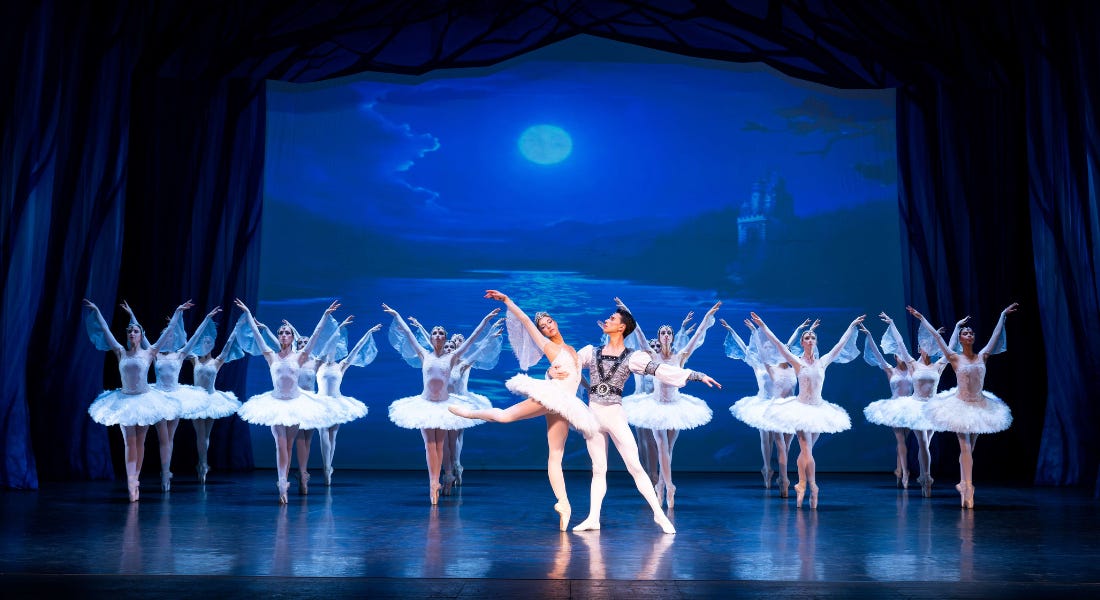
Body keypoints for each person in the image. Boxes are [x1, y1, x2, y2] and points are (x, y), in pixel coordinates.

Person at [448, 290, 600, 530]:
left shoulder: (571, 348)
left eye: (549, 322)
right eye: (543, 326)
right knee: (506, 416)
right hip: (553, 396)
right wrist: (508, 301)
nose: (547, 327)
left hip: (567, 403)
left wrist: (590, 388)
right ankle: (471, 412)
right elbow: (526, 322)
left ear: (555, 322)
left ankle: (564, 504)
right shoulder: (548, 346)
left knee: (556, 456)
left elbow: (576, 374)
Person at [569, 305, 721, 534]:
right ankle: (593, 518)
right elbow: (569, 365)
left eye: (612, 318)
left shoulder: (633, 357)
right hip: (593, 415)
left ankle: (659, 516)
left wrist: (695, 375)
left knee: (635, 468)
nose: (606, 320)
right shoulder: (591, 351)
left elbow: (661, 371)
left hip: (614, 415)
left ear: (621, 327)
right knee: (598, 469)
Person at [384, 303, 500, 505]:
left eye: (440, 333)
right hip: (426, 404)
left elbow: (473, 339)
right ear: (431, 338)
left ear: (445, 338)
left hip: (445, 405)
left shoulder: (453, 357)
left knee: (440, 445)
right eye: (434, 333)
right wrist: (396, 315)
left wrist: (486, 321)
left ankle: (440, 480)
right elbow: (409, 334)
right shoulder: (423, 354)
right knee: (430, 446)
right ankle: (433, 483)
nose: (437, 335)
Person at [907, 303, 1017, 508]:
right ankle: (968, 487)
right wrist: (921, 318)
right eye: (965, 332)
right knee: (965, 448)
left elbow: (995, 336)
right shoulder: (954, 357)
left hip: (980, 406)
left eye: (971, 332)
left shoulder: (982, 355)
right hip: (959, 406)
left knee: (969, 450)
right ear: (960, 339)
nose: (968, 334)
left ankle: (963, 483)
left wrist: (1002, 316)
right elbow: (938, 338)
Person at [751, 311, 864, 508]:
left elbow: (840, 344)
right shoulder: (796, 362)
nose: (810, 339)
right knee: (805, 449)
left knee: (806, 452)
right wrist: (762, 326)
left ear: (816, 342)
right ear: (802, 342)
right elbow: (778, 343)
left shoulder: (824, 361)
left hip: (819, 410)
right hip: (801, 410)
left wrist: (852, 324)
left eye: (813, 337)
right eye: (807, 337)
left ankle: (801, 483)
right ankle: (813, 486)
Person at [617, 297, 721, 509]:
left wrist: (708, 317)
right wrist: (627, 311)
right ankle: (669, 486)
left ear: (672, 337)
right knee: (662, 447)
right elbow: (637, 332)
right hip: (656, 407)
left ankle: (661, 486)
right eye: (662, 332)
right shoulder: (652, 355)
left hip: (676, 406)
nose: (665, 335)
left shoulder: (680, 356)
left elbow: (697, 336)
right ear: (658, 337)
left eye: (668, 332)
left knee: (669, 450)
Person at [83, 299, 189, 502]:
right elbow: (105, 331)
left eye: (135, 331)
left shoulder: (150, 352)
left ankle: (135, 479)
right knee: (129, 442)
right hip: (124, 400)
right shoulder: (120, 352)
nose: (132, 333)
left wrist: (177, 312)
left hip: (144, 401)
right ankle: (131, 482)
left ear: (141, 336)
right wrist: (97, 311)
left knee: (140, 442)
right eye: (129, 331)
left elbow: (168, 332)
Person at [234, 299, 336, 503]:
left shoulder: (300, 357)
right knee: (280, 446)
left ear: (292, 337)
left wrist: (325, 316)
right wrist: (247, 314)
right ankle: (282, 485)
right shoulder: (271, 356)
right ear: (279, 337)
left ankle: (287, 481)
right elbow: (257, 335)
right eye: (281, 332)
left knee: (289, 447)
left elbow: (315, 336)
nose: (284, 334)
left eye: (287, 332)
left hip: (295, 404)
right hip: (277, 403)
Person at [861, 312, 964, 496]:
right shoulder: (912, 365)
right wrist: (892, 323)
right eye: (925, 346)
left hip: (933, 407)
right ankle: (926, 480)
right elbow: (900, 343)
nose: (929, 348)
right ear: (919, 349)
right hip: (915, 408)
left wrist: (956, 327)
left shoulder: (939, 365)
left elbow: (951, 347)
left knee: (926, 446)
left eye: (932, 346)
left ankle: (922, 477)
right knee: (922, 443)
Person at [726, 317, 814, 495]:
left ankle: (781, 472)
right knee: (766, 438)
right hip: (765, 403)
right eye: (765, 348)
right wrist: (742, 331)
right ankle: (768, 469)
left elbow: (787, 346)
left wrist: (800, 329)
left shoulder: (789, 367)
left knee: (784, 443)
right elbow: (746, 348)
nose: (768, 350)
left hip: (786, 405)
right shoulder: (761, 366)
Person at [314, 320, 381, 486]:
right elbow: (323, 342)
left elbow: (357, 348)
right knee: (323, 432)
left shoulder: (342, 365)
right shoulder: (318, 364)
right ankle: (326, 467)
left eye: (334, 349)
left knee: (332, 435)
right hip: (321, 402)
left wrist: (369, 332)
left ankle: (328, 468)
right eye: (329, 348)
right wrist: (339, 328)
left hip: (337, 402)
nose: (331, 351)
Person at [187, 311, 247, 485]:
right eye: (203, 342)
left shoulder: (217, 361)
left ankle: (203, 464)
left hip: (212, 400)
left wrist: (237, 327)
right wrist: (205, 320)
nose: (205, 344)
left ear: (212, 345)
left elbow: (228, 344)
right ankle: (203, 464)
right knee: (199, 434)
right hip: (196, 400)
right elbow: (189, 341)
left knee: (206, 435)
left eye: (208, 342)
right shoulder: (194, 360)